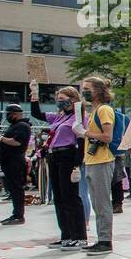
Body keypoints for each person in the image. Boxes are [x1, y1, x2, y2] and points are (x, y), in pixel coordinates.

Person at [30, 84, 87, 246]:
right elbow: (36, 113)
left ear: (73, 99)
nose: (58, 102)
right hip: (54, 155)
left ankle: (79, 235)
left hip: (68, 155)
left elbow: (81, 141)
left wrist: (77, 164)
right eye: (57, 99)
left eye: (62, 99)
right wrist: (35, 94)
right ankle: (66, 234)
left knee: (70, 196)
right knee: (59, 197)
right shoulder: (59, 116)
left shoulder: (79, 117)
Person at [77, 77, 116, 255]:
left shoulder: (104, 110)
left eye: (87, 88)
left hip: (102, 160)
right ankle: (101, 238)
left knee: (102, 203)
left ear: (98, 90)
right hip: (92, 160)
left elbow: (107, 136)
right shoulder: (94, 111)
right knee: (96, 203)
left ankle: (105, 240)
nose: (84, 91)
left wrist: (85, 132)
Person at [0, 103, 31, 225]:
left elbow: (17, 142)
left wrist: (0, 137)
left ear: (15, 114)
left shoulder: (22, 126)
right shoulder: (15, 126)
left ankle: (19, 215)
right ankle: (16, 213)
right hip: (9, 161)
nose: (7, 116)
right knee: (13, 189)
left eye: (9, 114)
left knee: (16, 189)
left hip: (15, 161)